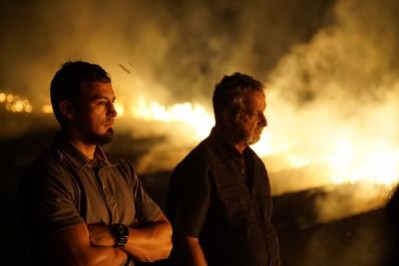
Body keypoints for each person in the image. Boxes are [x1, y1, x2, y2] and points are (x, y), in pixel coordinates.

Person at [18, 61, 172, 266]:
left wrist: (115, 235)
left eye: (112, 101)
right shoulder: (49, 177)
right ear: (68, 110)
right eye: (101, 103)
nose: (113, 112)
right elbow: (84, 262)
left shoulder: (122, 170)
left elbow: (165, 244)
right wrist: (136, 243)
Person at [166, 73, 281, 266]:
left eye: (263, 112)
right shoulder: (199, 167)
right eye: (254, 114)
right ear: (228, 116)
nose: (264, 122)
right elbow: (186, 239)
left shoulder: (256, 165)